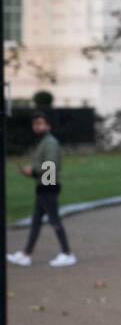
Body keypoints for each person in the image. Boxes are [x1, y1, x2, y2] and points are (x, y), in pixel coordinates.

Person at [8, 112, 76, 267]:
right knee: (36, 222)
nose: (36, 126)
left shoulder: (50, 143)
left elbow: (51, 166)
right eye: (35, 124)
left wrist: (33, 171)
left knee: (54, 220)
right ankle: (26, 254)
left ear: (48, 125)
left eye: (40, 123)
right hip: (44, 186)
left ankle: (67, 253)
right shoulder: (44, 142)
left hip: (48, 187)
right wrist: (33, 173)